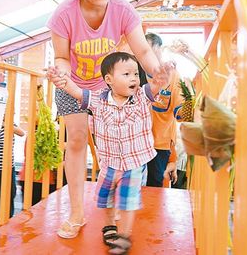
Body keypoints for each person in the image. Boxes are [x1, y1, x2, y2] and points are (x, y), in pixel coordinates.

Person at [47, 0, 165, 239]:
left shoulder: (123, 9)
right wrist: (61, 71)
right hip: (71, 84)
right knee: (75, 140)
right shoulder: (63, 14)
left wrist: (156, 72)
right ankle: (76, 212)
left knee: (112, 146)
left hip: (106, 88)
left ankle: (111, 212)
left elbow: (141, 49)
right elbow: (61, 56)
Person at [48, 52, 173, 254]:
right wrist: (62, 81)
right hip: (109, 163)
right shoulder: (98, 100)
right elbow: (78, 92)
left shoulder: (141, 96)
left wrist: (162, 76)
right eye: (126, 74)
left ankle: (123, 236)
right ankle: (109, 226)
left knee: (127, 200)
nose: (134, 78)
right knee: (106, 197)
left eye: (135, 74)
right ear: (109, 80)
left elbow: (157, 85)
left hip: (134, 163)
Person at [138, 33, 183, 187]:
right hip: (135, 142)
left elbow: (180, 110)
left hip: (159, 144)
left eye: (148, 50)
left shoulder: (173, 75)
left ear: (159, 49)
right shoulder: (134, 72)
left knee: (154, 187)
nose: (144, 55)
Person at [0, 118, 25, 231]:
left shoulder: (11, 126)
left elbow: (22, 133)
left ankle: (8, 217)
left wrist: (6, 124)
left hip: (9, 167)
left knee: (11, 192)